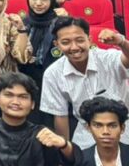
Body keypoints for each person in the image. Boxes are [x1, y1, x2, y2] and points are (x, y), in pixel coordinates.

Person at [41, 18, 129, 149]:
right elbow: (60, 115)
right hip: (86, 136)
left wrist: (121, 42)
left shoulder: (107, 58)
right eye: (66, 42)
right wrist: (65, 150)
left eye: (80, 40)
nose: (74, 47)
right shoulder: (53, 73)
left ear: (89, 40)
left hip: (124, 129)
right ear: (57, 45)